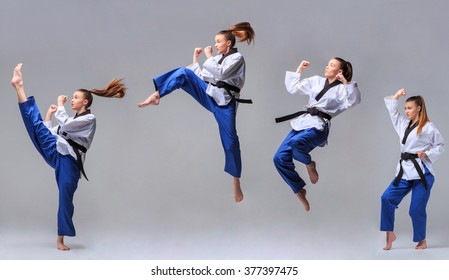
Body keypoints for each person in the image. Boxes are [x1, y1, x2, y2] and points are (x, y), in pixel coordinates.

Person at [11, 63, 126, 250]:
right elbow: (50, 131)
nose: (72, 100)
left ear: (85, 102)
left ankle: (60, 240)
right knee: (36, 127)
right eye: (72, 98)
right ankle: (19, 86)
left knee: (65, 197)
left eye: (76, 98)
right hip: (57, 152)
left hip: (69, 163)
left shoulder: (89, 119)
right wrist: (49, 114)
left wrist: (61, 105)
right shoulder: (73, 120)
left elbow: (63, 125)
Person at [137, 22, 255, 203]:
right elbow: (204, 77)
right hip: (210, 94)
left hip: (225, 103)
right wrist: (195, 61)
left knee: (231, 142)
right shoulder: (218, 59)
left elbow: (221, 74)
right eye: (215, 42)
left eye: (218, 42)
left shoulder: (237, 58)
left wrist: (208, 56)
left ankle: (236, 182)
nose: (215, 45)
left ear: (228, 43)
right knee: (184, 73)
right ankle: (157, 94)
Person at [273, 58, 361, 211]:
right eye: (328, 64)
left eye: (332, 65)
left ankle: (309, 164)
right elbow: (293, 89)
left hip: (319, 128)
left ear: (339, 71)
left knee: (295, 144)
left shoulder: (342, 89)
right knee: (279, 158)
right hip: (303, 123)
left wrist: (346, 83)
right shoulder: (316, 81)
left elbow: (354, 101)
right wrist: (299, 70)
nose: (327, 67)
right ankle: (299, 189)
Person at [381, 89, 445, 250]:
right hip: (404, 171)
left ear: (419, 108)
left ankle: (421, 240)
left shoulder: (429, 127)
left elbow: (440, 145)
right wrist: (395, 97)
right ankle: (390, 234)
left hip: (422, 173)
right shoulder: (403, 124)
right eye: (405, 108)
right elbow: (393, 113)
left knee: (415, 209)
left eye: (409, 108)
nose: (406, 111)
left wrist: (427, 154)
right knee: (386, 198)